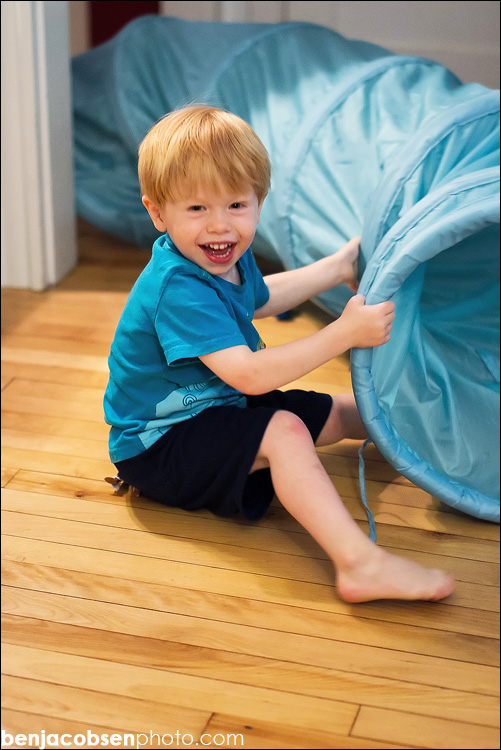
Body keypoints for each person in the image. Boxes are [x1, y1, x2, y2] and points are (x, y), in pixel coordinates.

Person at [104, 105, 454, 603]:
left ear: (258, 201)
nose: (220, 226)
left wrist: (335, 268)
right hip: (159, 447)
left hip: (217, 406)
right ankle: (359, 565)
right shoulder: (177, 287)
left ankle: (442, 439)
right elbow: (249, 375)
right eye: (197, 209)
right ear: (158, 213)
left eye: (236, 205)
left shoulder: (224, 254)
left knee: (342, 412)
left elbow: (261, 297)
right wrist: (343, 333)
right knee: (285, 432)